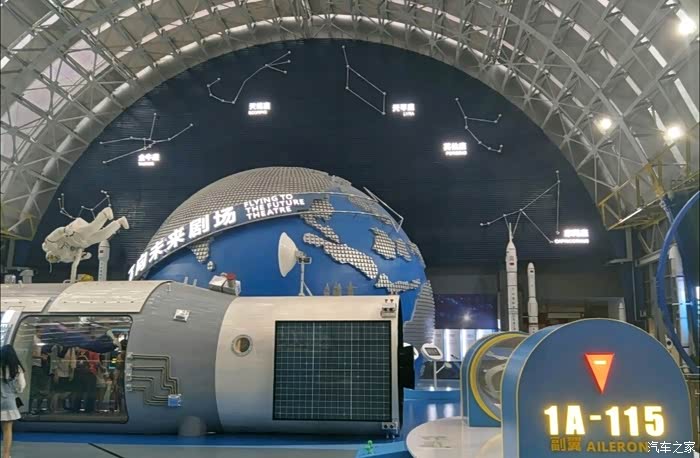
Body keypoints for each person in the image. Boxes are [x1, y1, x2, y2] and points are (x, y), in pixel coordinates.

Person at [42, 206, 129, 264]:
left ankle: (105, 213)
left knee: (93, 228)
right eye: (54, 259)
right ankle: (119, 222)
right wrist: (84, 256)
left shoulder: (49, 245)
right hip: (83, 243)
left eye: (52, 257)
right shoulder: (66, 259)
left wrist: (65, 230)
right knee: (103, 236)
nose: (55, 257)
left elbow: (56, 233)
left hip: (74, 235)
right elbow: (76, 257)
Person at [1, 345, 27, 458]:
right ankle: (6, 455)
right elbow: (21, 386)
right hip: (8, 402)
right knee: (7, 430)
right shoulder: (16, 368)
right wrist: (14, 392)